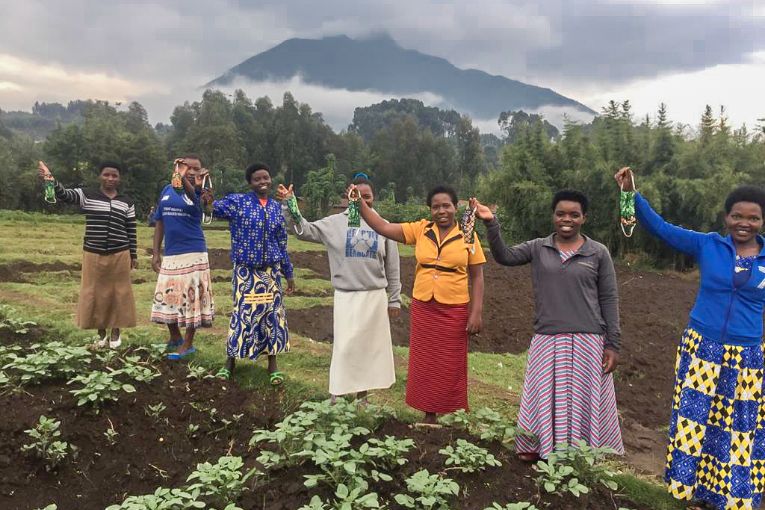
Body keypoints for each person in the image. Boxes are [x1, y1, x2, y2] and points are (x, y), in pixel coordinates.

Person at [615, 167, 765, 510]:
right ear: (726, 217)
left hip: (746, 359)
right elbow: (662, 228)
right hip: (703, 350)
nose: (744, 222)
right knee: (695, 421)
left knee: (737, 428)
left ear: (761, 221)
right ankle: (692, 491)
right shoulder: (708, 244)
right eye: (737, 215)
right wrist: (631, 194)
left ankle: (730, 496)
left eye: (753, 218)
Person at [471, 191, 623, 462]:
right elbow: (504, 256)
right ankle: (537, 447)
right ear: (553, 216)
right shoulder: (539, 247)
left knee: (581, 401)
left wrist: (612, 343)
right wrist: (491, 223)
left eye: (574, 215)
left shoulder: (598, 252)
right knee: (542, 396)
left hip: (588, 341)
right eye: (561, 214)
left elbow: (609, 298)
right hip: (548, 338)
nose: (567, 219)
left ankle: (580, 455)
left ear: (584, 218)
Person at [351, 183, 485, 423]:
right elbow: (382, 226)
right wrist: (360, 203)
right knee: (425, 361)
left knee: (450, 362)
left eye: (446, 205)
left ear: (456, 207)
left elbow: (477, 276)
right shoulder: (421, 230)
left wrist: (476, 313)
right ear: (430, 210)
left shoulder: (468, 234)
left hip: (454, 308)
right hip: (424, 306)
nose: (441, 210)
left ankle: (453, 413)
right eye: (436, 207)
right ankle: (429, 414)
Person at [277, 173, 401, 404]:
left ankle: (363, 397)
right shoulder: (335, 223)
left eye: (368, 196)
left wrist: (394, 299)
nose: (364, 200)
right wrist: (289, 205)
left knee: (369, 349)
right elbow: (303, 230)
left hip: (374, 297)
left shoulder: (383, 226)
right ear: (349, 196)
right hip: (347, 296)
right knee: (345, 347)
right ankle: (338, 393)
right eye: (359, 195)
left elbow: (393, 267)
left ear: (373, 198)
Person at [202, 162, 295, 384]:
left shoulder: (276, 208)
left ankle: (272, 365)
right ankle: (230, 362)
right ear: (250, 183)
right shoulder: (238, 202)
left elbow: (282, 243)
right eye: (257, 179)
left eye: (266, 178)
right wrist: (204, 196)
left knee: (271, 316)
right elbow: (212, 208)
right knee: (242, 315)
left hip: (271, 273)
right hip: (246, 272)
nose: (263, 182)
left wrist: (288, 273)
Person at [37, 160, 137, 348]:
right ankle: (101, 334)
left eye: (114, 175)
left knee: (119, 292)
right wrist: (49, 179)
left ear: (119, 178)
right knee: (95, 292)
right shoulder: (87, 195)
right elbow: (65, 195)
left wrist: (133, 254)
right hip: (93, 253)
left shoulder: (127, 201)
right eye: (106, 174)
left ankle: (116, 331)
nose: (110, 178)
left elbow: (131, 228)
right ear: (100, 176)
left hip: (120, 253)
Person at [150, 155, 215, 360]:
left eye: (195, 168)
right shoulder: (168, 190)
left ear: (201, 171)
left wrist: (185, 178)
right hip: (171, 253)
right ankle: (175, 337)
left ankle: (187, 345)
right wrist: (156, 252)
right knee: (167, 296)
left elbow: (199, 204)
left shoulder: (201, 192)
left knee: (191, 299)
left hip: (193, 252)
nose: (192, 171)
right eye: (187, 167)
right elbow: (159, 221)